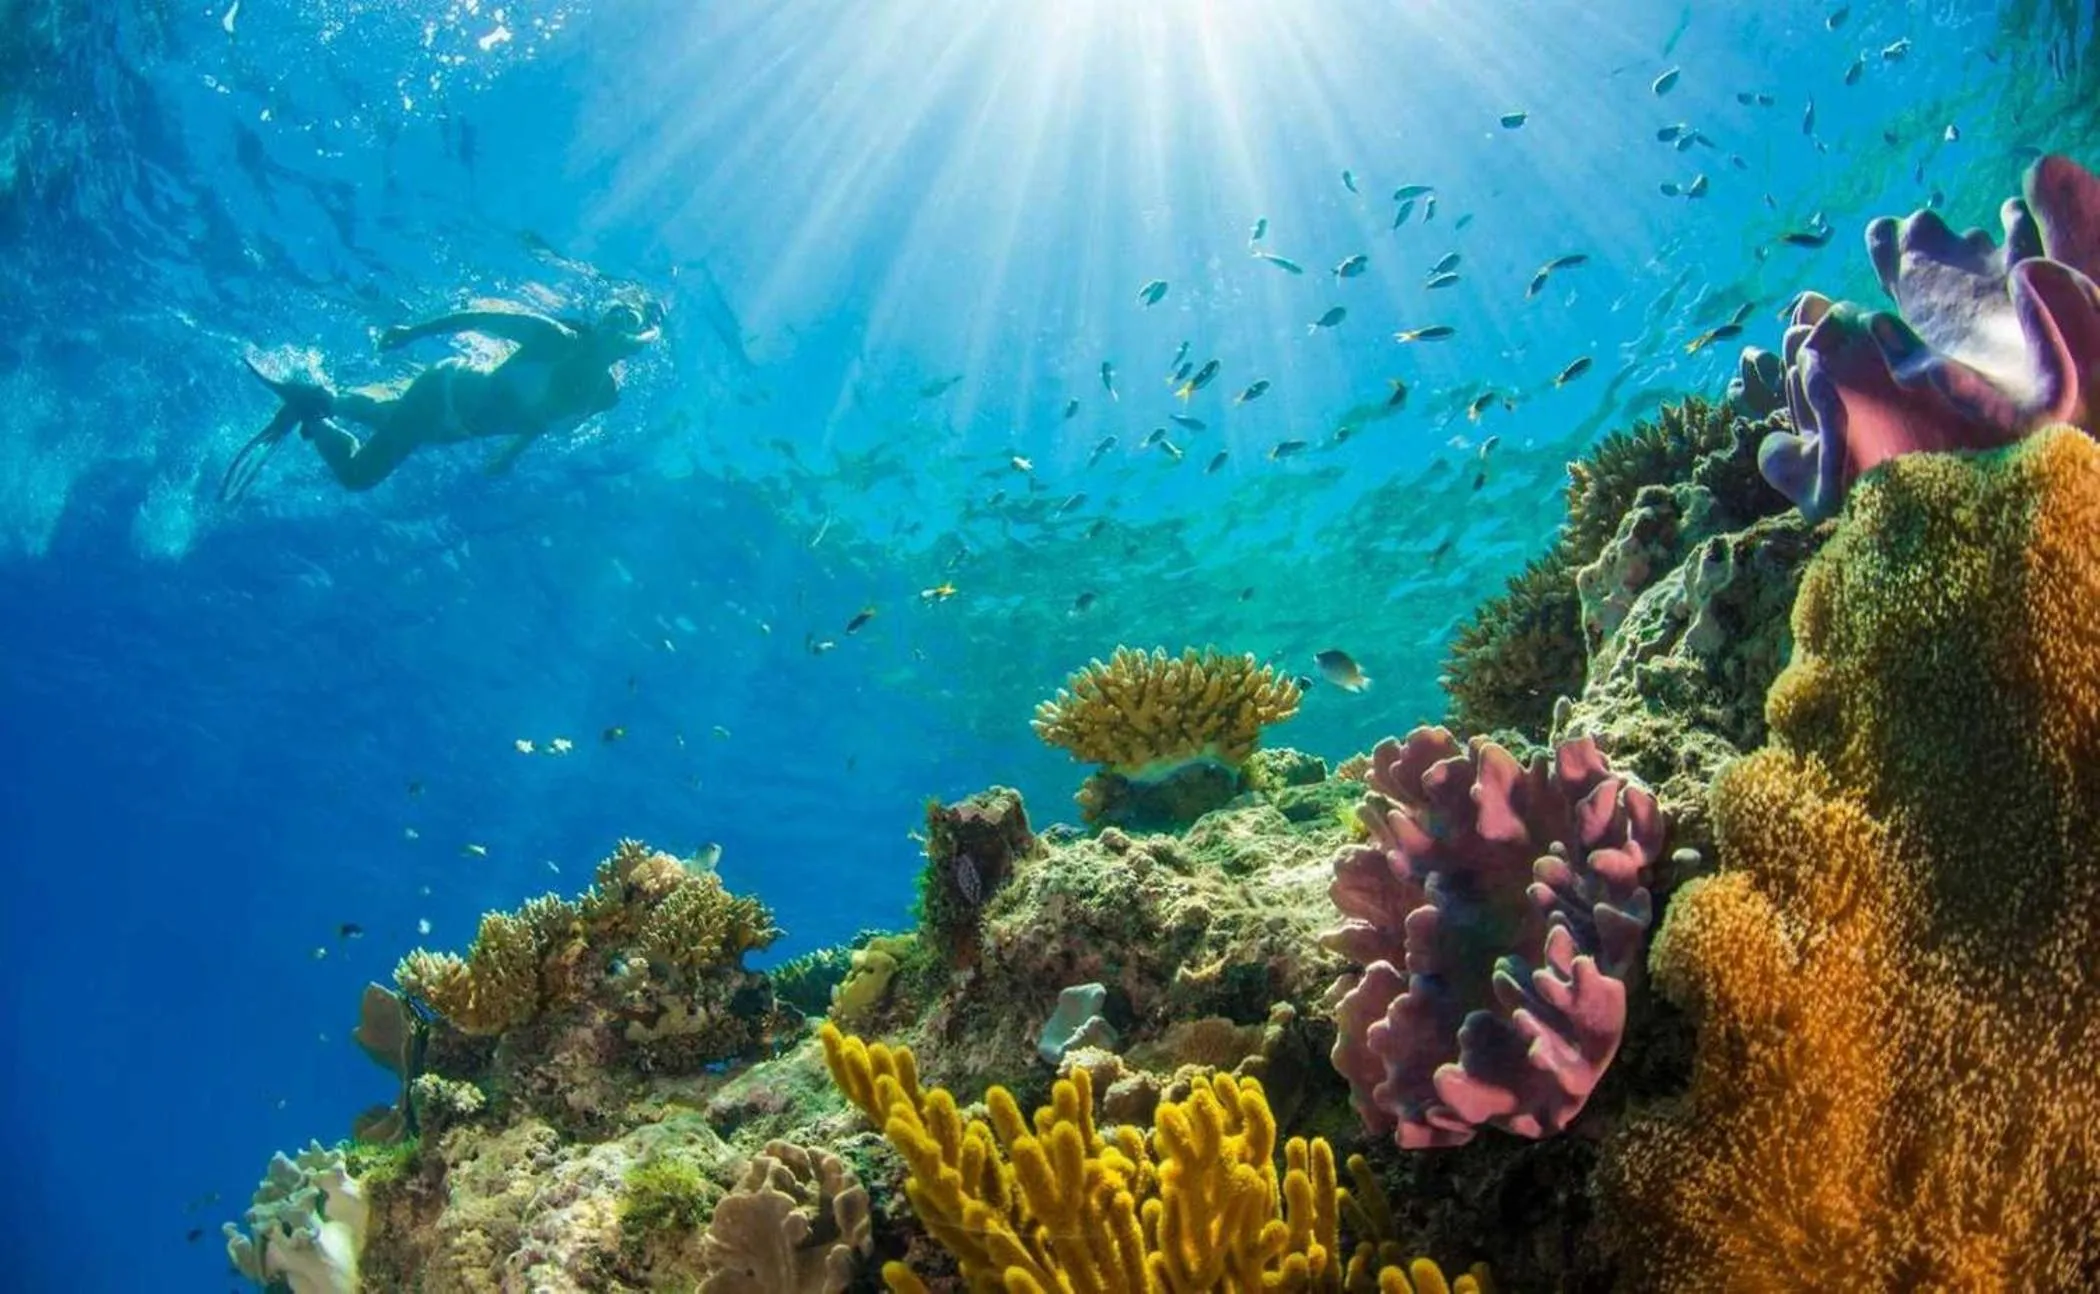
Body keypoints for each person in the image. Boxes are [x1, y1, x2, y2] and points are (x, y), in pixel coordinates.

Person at [222, 297, 662, 500]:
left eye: (628, 318)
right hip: (446, 391)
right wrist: (413, 332)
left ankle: (324, 400)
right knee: (359, 475)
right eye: (613, 313)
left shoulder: (606, 396)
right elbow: (480, 316)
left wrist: (511, 454)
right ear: (600, 323)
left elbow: (541, 421)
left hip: (458, 428)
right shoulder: (554, 339)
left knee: (383, 417)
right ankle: (313, 414)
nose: (618, 320)